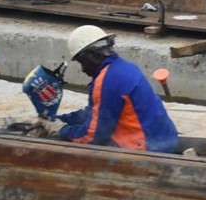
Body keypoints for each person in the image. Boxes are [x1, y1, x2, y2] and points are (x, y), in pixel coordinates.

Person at [53, 25, 180, 153]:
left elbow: (93, 136)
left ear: (91, 54)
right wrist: (62, 119)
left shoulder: (107, 79)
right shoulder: (125, 67)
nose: (83, 69)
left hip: (147, 150)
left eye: (82, 62)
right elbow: (96, 112)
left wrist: (62, 131)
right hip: (166, 139)